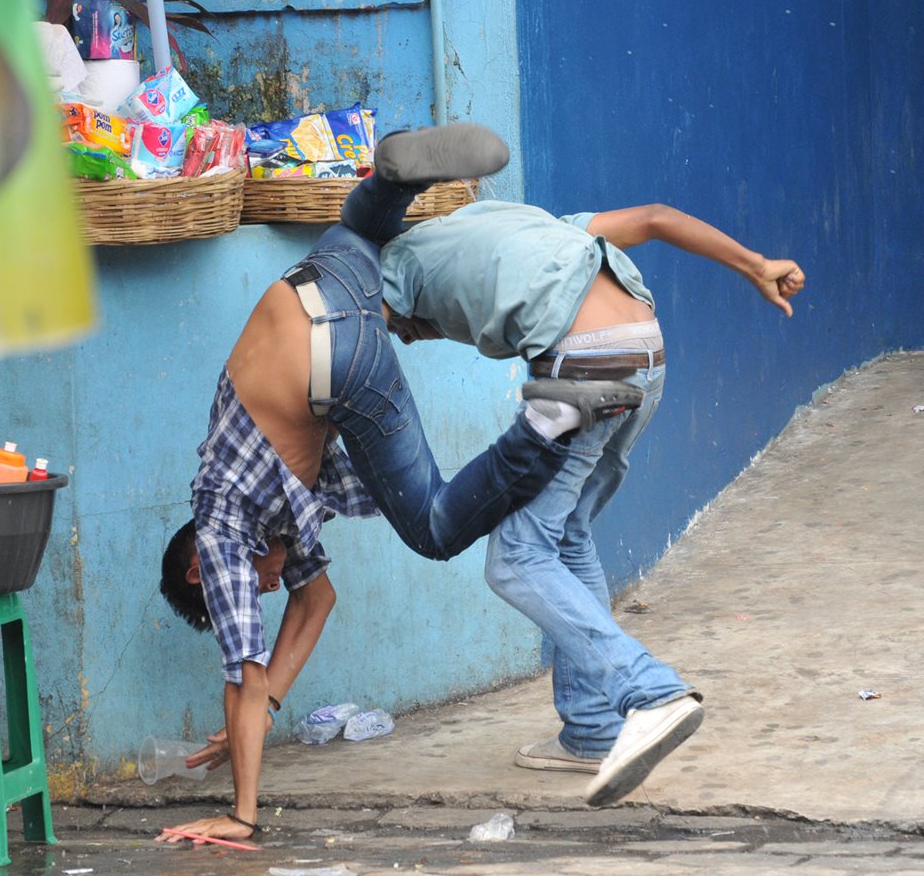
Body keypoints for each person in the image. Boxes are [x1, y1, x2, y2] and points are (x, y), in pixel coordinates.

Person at [156, 125, 644, 844]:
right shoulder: (261, 505)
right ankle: (390, 184)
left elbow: (243, 671)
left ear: (197, 566)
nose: (259, 585)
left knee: (438, 526)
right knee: (357, 231)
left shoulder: (220, 525)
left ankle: (546, 421)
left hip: (335, 359)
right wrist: (262, 713)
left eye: (245, 586)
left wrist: (240, 808)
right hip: (329, 277)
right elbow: (315, 598)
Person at [376, 183, 806, 806]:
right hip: (648, 357)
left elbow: (355, 354)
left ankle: (649, 691)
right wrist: (758, 266)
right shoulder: (526, 223)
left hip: (585, 371)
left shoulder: (393, 269)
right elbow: (658, 217)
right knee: (566, 531)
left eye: (416, 334)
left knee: (516, 559)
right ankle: (591, 730)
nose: (425, 337)